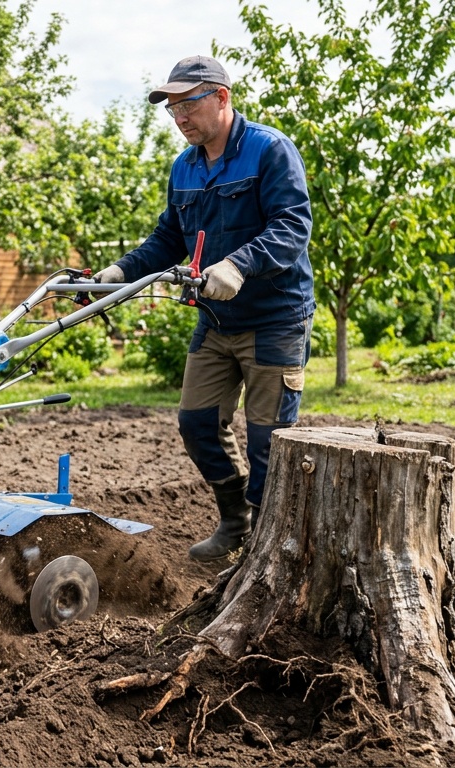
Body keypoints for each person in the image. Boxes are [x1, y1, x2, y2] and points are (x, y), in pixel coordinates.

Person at [96, 55, 314, 561]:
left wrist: (238, 265)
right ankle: (236, 520)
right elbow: (169, 237)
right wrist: (120, 272)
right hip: (215, 319)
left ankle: (267, 542)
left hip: (274, 318)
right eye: (172, 109)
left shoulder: (268, 150)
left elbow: (291, 226)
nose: (179, 118)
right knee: (197, 424)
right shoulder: (185, 166)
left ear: (221, 97)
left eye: (187, 105)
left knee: (269, 441)